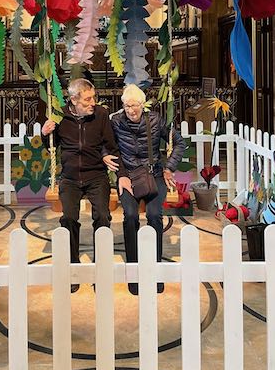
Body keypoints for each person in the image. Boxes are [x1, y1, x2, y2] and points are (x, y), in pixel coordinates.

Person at [42, 78, 130, 292]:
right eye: (88, 99)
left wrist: (120, 172)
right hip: (70, 177)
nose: (93, 103)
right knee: (68, 219)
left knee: (103, 216)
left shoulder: (101, 115)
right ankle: (72, 268)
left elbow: (111, 146)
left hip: (96, 175)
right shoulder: (59, 115)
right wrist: (44, 134)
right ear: (74, 100)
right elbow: (51, 145)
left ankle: (101, 268)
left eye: (94, 98)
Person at [111, 84, 186, 295]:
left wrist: (169, 167)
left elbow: (179, 143)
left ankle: (155, 270)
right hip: (129, 176)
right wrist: (120, 173)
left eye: (134, 106)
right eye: (127, 106)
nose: (130, 110)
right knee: (130, 216)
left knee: (154, 215)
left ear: (143, 105)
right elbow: (109, 147)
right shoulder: (116, 122)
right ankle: (134, 272)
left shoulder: (155, 120)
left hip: (154, 175)